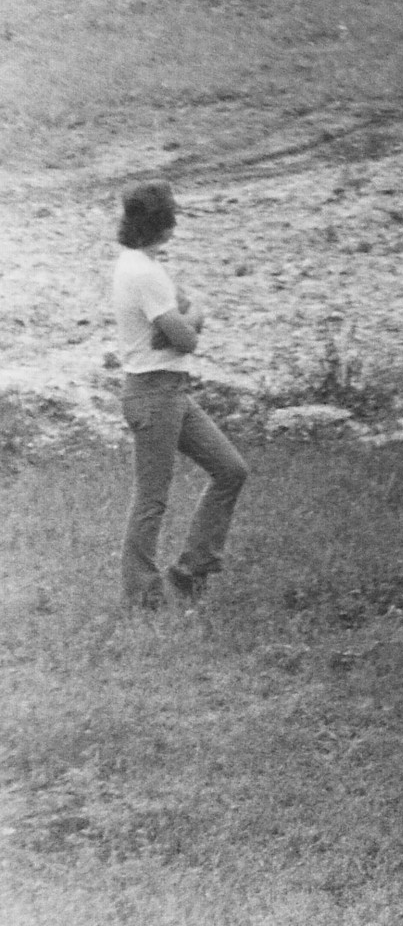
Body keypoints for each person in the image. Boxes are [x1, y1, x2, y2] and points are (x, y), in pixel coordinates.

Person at [110, 181, 247, 610]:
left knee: (231, 470)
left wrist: (177, 325)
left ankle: (192, 569)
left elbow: (172, 334)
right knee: (151, 499)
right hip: (154, 393)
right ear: (162, 222)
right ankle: (142, 596)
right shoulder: (146, 273)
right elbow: (187, 338)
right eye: (172, 215)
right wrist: (196, 313)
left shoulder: (139, 263)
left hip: (167, 390)